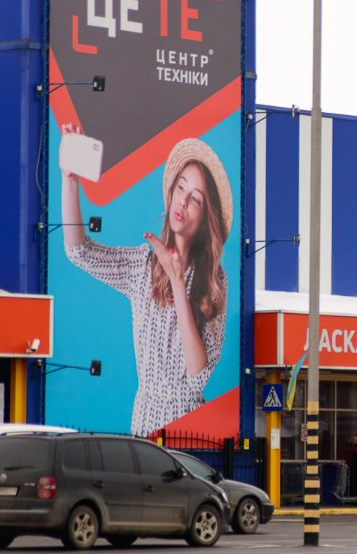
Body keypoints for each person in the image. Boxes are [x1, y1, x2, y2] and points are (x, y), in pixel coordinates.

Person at [62, 132, 232, 436]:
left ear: (206, 218)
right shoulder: (142, 265)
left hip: (189, 430)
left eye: (196, 199)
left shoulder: (214, 280)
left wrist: (177, 281)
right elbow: (79, 252)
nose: (183, 200)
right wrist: (70, 182)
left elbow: (197, 376)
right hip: (143, 426)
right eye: (181, 187)